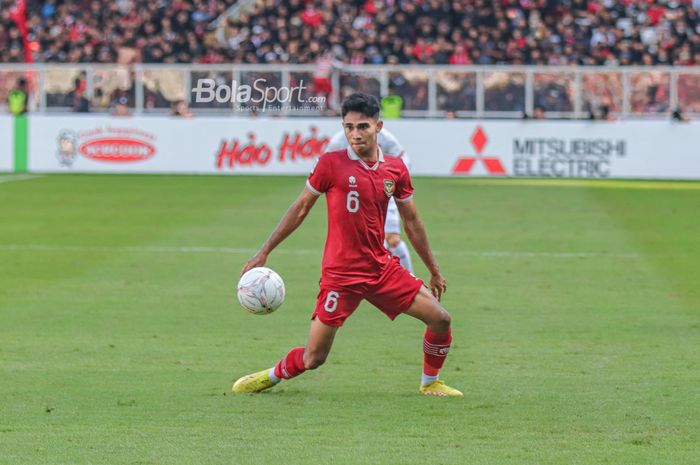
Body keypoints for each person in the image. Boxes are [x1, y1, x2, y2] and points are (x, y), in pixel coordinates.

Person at [232, 93, 462, 397]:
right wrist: (264, 251)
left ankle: (430, 382)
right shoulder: (330, 164)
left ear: (378, 126)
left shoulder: (395, 170)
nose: (355, 134)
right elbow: (300, 208)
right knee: (314, 358)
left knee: (441, 319)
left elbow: (413, 223)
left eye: (363, 126)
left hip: (382, 269)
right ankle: (271, 375)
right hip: (340, 276)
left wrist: (433, 269)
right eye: (349, 127)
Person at [326, 127, 414, 273]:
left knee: (392, 239)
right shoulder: (338, 141)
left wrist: (389, 178)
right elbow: (324, 166)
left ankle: (411, 279)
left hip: (384, 194)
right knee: (365, 244)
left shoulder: (384, 137)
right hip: (354, 197)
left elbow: (404, 161)